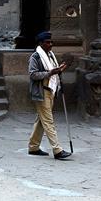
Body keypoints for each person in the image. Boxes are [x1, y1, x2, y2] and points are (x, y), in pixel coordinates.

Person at [28, 31, 71, 160]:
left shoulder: (50, 55)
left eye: (51, 42)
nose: (50, 44)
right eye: (47, 42)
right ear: (41, 43)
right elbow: (33, 74)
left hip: (50, 90)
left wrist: (59, 70)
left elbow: (53, 71)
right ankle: (57, 150)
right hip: (41, 92)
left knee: (41, 120)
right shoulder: (35, 57)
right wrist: (50, 73)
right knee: (48, 121)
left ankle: (33, 147)